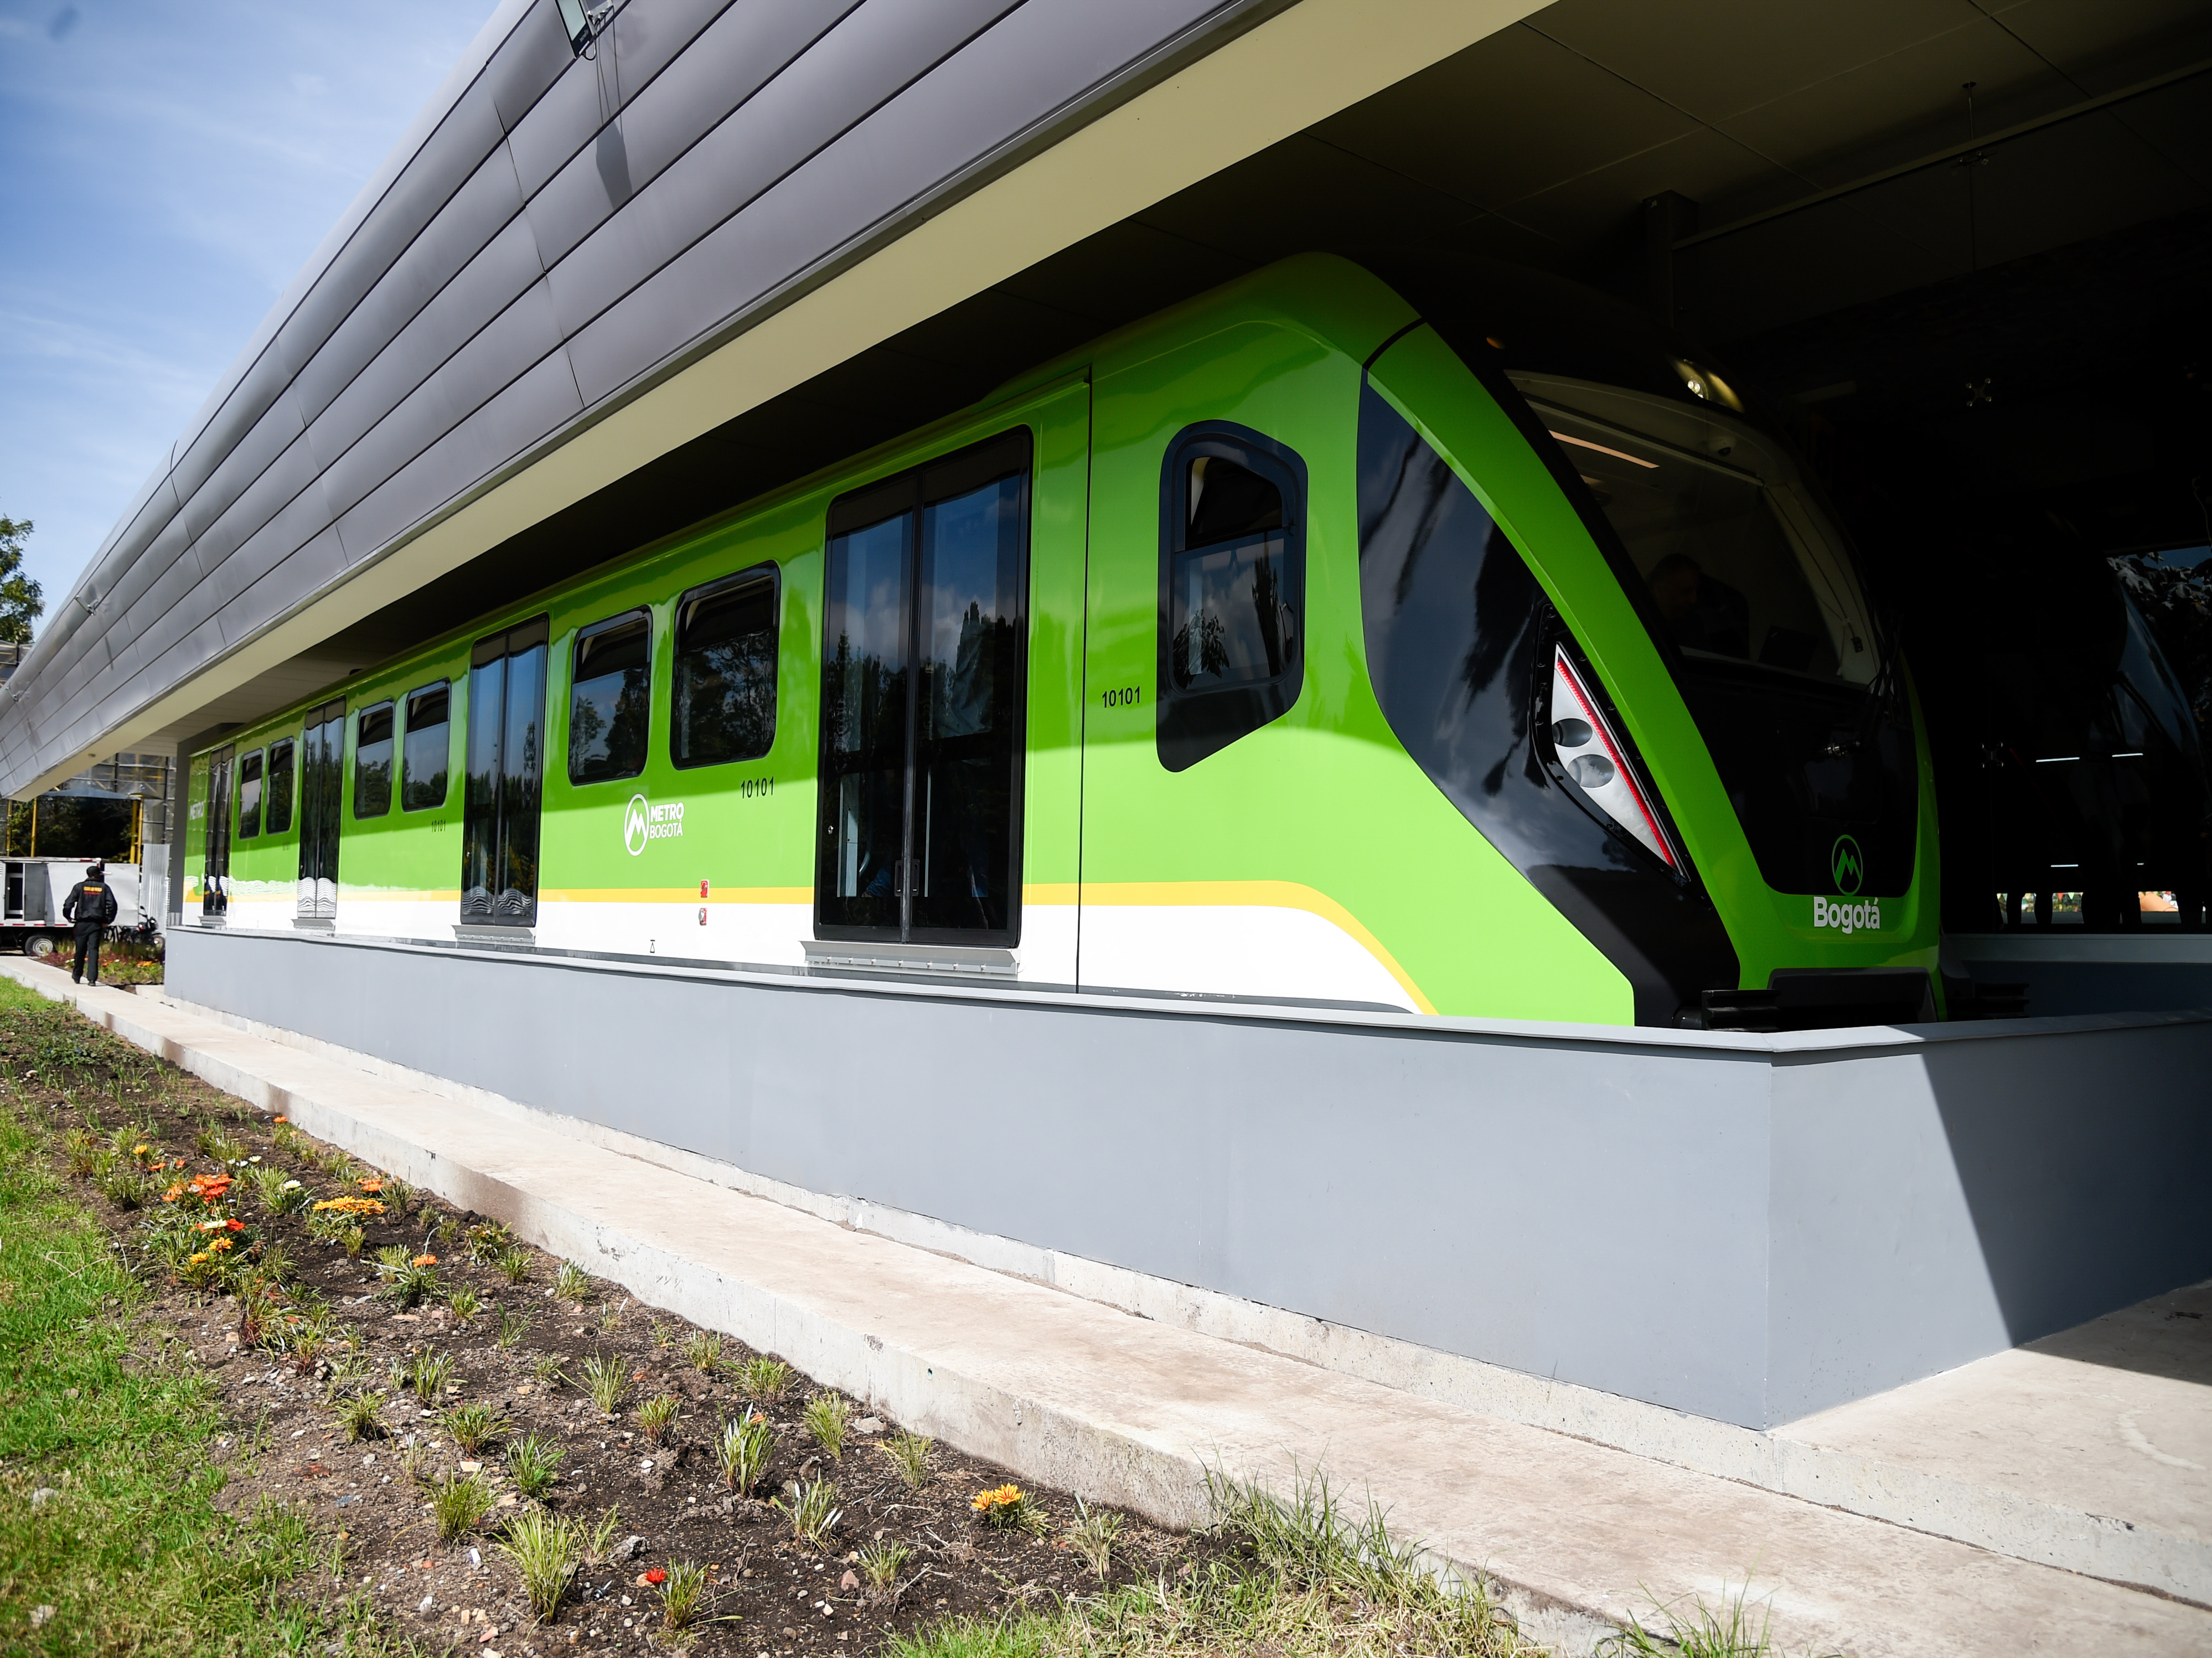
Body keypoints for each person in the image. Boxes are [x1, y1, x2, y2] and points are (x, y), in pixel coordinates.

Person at [63, 862, 119, 985]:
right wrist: (107, 921)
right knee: (93, 950)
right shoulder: (104, 888)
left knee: (80, 950)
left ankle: (77, 976)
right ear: (97, 875)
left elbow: (69, 903)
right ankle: (92, 979)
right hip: (96, 924)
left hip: (82, 923)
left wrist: (67, 916)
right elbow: (113, 906)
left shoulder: (79, 887)